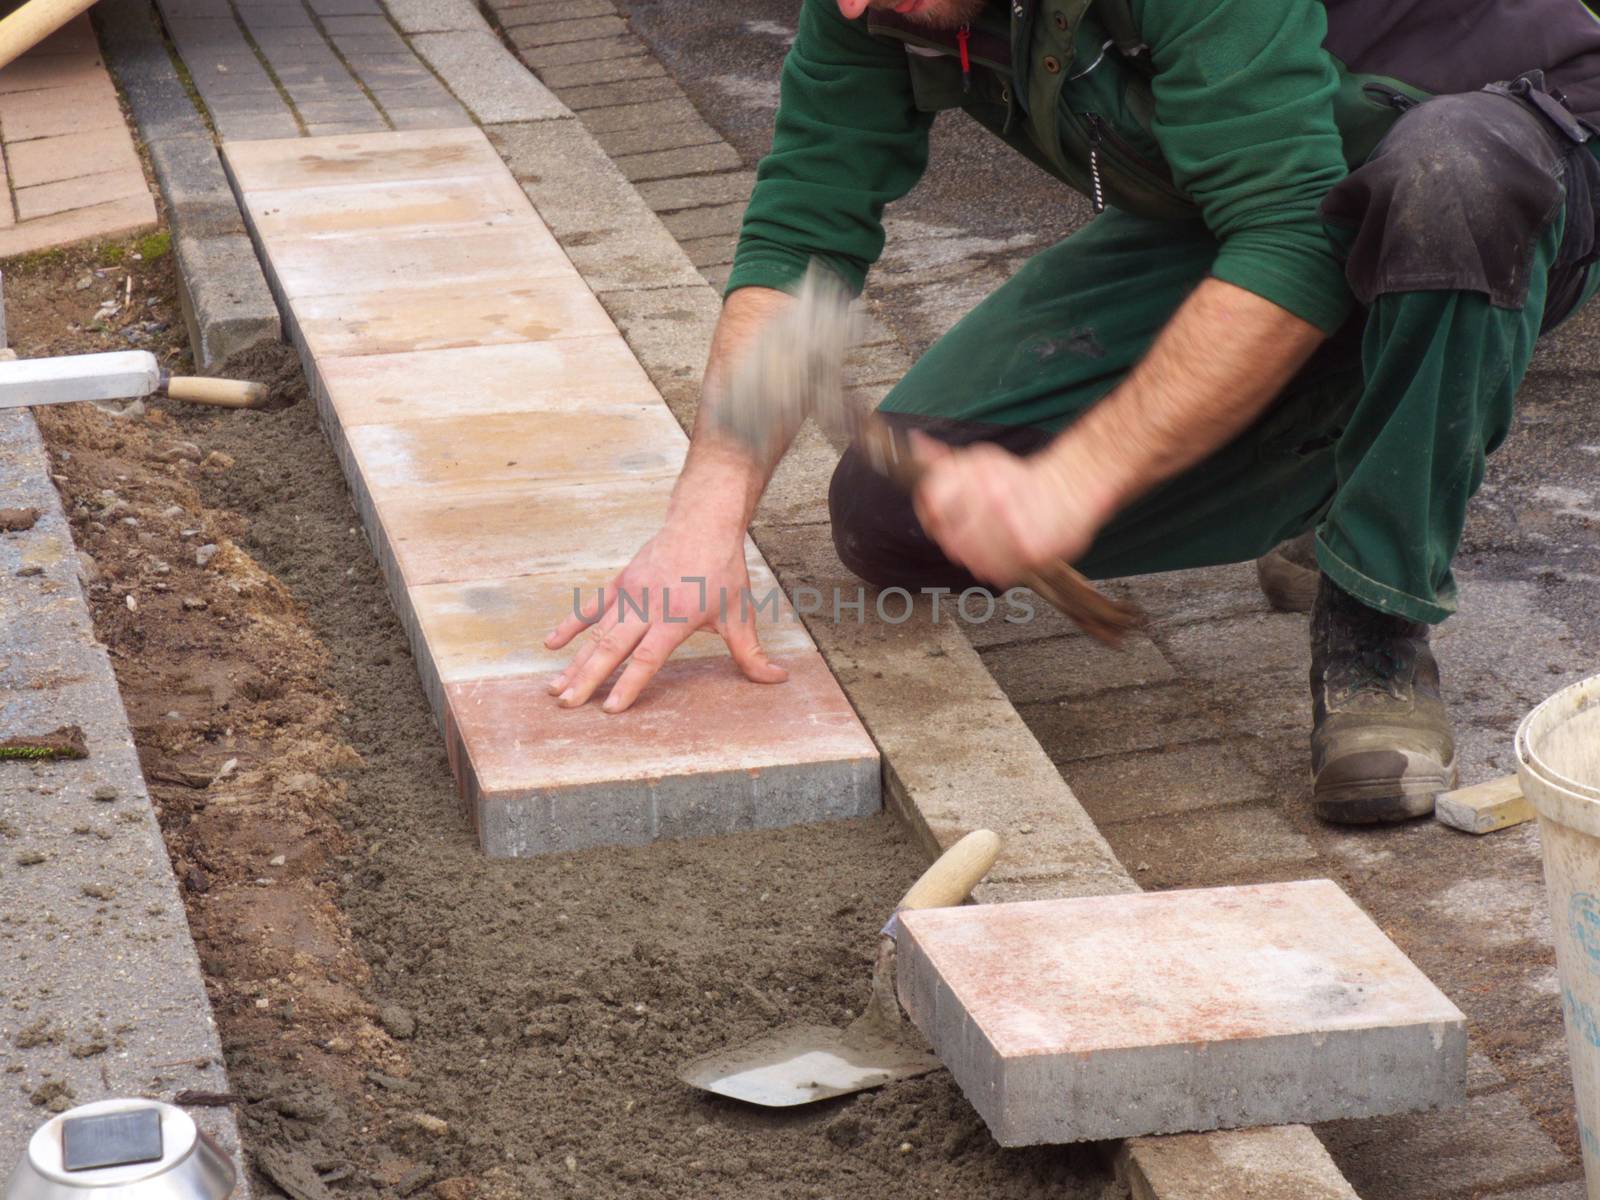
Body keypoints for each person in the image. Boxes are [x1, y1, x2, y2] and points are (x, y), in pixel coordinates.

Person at [545, 0, 1600, 825]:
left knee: (1442, 182)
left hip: (1502, 150)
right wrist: (706, 514)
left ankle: (1378, 615)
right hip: (1267, 181)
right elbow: (802, 234)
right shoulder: (878, 3)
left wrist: (1077, 479)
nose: (859, 8)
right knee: (893, 514)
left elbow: (1288, 242)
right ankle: (1361, 462)